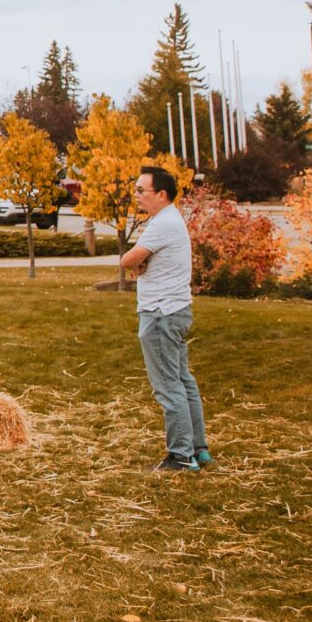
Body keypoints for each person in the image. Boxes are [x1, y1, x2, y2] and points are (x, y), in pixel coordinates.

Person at [118, 164, 209, 472]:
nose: (137, 196)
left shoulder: (162, 223)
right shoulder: (169, 220)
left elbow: (128, 259)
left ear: (161, 194)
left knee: (168, 385)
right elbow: (141, 261)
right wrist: (142, 263)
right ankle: (199, 449)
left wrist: (136, 262)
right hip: (176, 310)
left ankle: (181, 455)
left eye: (141, 190)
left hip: (160, 314)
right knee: (183, 380)